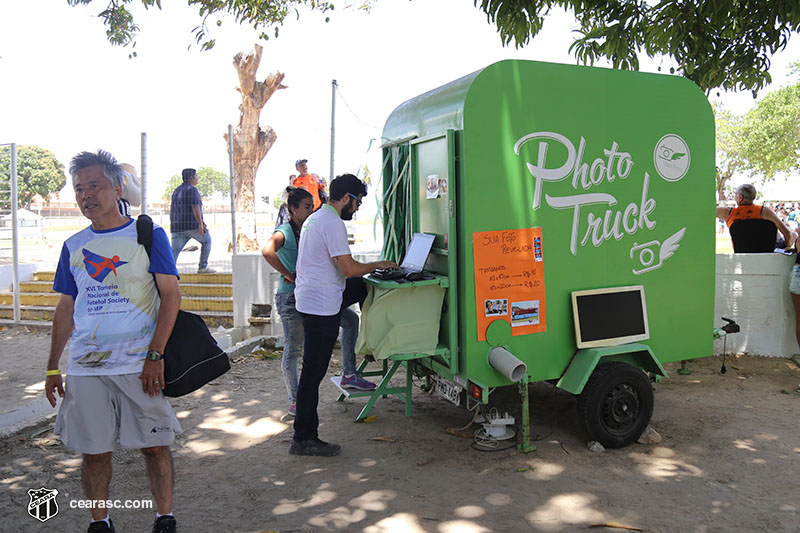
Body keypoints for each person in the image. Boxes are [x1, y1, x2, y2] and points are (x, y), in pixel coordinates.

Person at [45, 150, 182, 533]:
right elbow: (66, 308)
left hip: (140, 366)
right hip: (86, 367)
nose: (86, 195)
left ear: (117, 187)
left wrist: (155, 355)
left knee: (156, 447)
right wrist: (53, 366)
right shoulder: (73, 246)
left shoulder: (146, 235)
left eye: (95, 185)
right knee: (94, 453)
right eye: (79, 188)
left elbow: (171, 296)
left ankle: (164, 518)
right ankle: (100, 523)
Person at [291, 173, 397, 456]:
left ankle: (374, 338)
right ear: (347, 198)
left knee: (362, 287)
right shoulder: (332, 222)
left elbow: (347, 275)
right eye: (358, 203)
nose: (358, 208)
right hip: (320, 306)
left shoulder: (316, 217)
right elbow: (348, 268)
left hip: (315, 297)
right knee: (312, 375)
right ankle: (304, 438)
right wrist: (378, 264)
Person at [262, 188, 373, 417]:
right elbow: (267, 250)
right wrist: (288, 272)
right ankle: (294, 400)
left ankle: (349, 373)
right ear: (292, 209)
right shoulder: (285, 231)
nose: (310, 210)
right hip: (293, 296)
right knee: (294, 350)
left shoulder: (313, 225)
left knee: (351, 320)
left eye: (312, 206)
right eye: (305, 206)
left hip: (317, 296)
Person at [716, 184, 795, 249]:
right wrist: (787, 245)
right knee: (794, 234)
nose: (734, 197)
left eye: (735, 195)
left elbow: (707, 210)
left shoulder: (728, 213)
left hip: (742, 254)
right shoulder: (765, 211)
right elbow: (787, 235)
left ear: (740, 197)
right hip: (768, 255)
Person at [169, 168, 214, 273]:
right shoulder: (192, 190)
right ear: (191, 178)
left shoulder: (177, 190)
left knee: (174, 251)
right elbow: (195, 207)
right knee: (207, 240)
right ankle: (203, 267)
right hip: (191, 225)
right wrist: (200, 224)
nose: (197, 178)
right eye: (196, 176)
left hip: (177, 226)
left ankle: (169, 271)